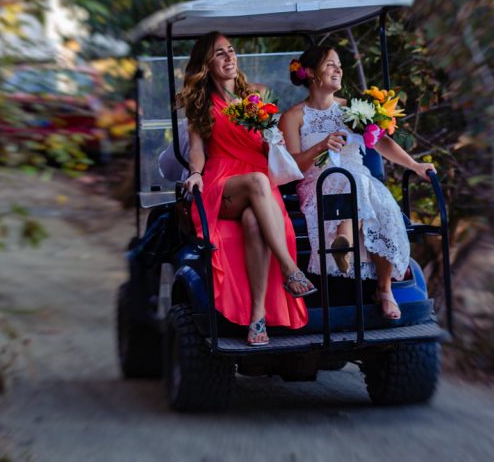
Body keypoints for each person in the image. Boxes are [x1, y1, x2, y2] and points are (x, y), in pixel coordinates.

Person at [278, 46, 435, 320]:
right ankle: (344, 243)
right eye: (330, 65)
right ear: (312, 73)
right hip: (319, 182)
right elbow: (292, 168)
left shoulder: (352, 109)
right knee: (352, 182)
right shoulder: (293, 117)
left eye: (339, 64)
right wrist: (320, 147)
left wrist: (414, 165)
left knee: (384, 207)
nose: (338, 69)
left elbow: (382, 142)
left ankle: (382, 288)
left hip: (359, 178)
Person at [179, 32, 312, 346]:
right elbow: (197, 149)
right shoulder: (200, 103)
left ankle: (257, 319)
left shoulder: (257, 94)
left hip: (259, 179)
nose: (229, 58)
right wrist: (196, 173)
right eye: (219, 54)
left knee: (254, 222)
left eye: (231, 51)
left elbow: (270, 141)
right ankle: (290, 269)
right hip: (224, 182)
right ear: (206, 64)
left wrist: (272, 140)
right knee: (258, 181)